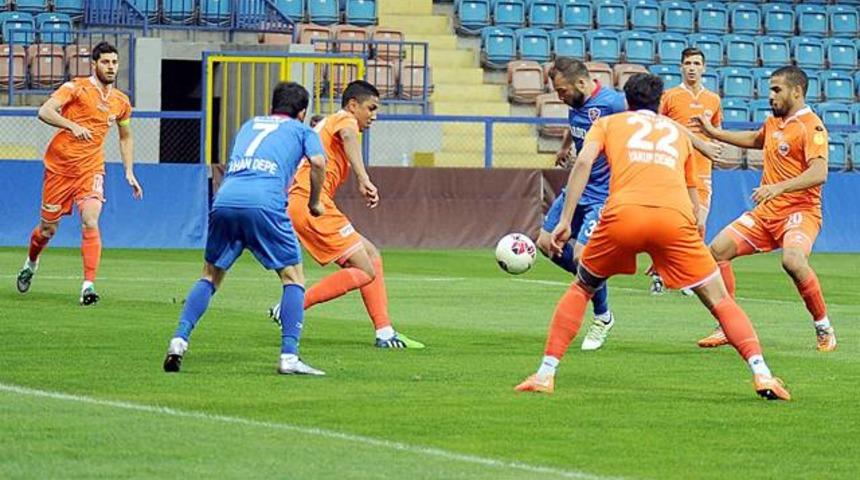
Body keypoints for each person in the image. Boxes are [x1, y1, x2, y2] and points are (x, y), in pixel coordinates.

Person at [515, 73, 790, 401]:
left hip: (622, 215)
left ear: (627, 102)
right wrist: (683, 240)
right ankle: (763, 374)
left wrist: (564, 220)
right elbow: (692, 193)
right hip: (674, 219)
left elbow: (584, 161)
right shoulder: (677, 132)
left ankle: (546, 374)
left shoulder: (609, 123)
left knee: (583, 286)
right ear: (659, 104)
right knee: (719, 300)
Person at [163, 81, 327, 375]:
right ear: (302, 113)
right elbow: (317, 162)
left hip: (225, 198)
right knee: (293, 278)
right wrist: (315, 202)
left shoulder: (250, 124)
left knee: (210, 276)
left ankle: (178, 340)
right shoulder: (303, 130)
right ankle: (289, 356)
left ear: (272, 107)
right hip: (264, 201)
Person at [270, 80, 424, 349]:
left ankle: (384, 332)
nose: (373, 116)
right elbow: (349, 135)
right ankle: (291, 306)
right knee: (364, 270)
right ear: (353, 105)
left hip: (305, 201)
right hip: (312, 202)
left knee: (372, 255)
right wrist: (363, 179)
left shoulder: (328, 124)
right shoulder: (345, 119)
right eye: (371, 108)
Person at [692, 66, 836, 352]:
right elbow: (756, 140)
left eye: (776, 90)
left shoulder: (812, 126)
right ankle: (726, 324)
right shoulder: (775, 123)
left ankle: (823, 327)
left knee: (793, 261)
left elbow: (819, 172)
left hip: (800, 211)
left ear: (797, 91)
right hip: (766, 213)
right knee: (717, 251)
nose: (770, 95)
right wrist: (713, 132)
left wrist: (778, 187)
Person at [17, 41, 143, 305]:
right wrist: (71, 125)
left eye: (115, 62)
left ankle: (88, 286)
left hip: (91, 169)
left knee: (90, 219)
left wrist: (129, 171)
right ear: (94, 64)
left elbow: (125, 137)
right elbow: (45, 111)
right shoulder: (74, 88)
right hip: (60, 168)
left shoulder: (121, 102)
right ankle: (31, 262)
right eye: (106, 62)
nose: (111, 67)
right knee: (47, 230)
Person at [538, 57, 626, 351]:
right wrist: (565, 146)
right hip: (578, 189)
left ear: (581, 83)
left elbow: (648, 121)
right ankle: (592, 277)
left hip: (604, 194)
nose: (560, 97)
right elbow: (576, 125)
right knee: (546, 242)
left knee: (581, 255)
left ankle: (603, 316)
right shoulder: (575, 106)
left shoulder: (614, 104)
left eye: (562, 91)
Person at [649, 47, 723, 296]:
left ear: (704, 68)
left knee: (698, 222)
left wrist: (715, 145)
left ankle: (692, 277)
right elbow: (657, 126)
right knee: (667, 223)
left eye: (697, 63)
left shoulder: (713, 100)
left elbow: (717, 132)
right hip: (674, 169)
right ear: (681, 67)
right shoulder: (669, 97)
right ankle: (660, 272)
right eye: (688, 63)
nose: (692, 67)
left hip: (702, 169)